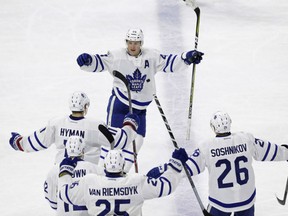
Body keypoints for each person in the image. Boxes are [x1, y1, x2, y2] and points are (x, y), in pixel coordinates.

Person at [76, 28, 204, 171]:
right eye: (130, 42)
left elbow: (169, 62)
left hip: (140, 109)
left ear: (141, 43)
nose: (132, 46)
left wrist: (186, 58)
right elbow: (100, 61)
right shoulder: (117, 57)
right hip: (120, 104)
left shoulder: (152, 56)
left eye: (136, 43)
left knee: (138, 141)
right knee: (113, 141)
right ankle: (101, 175)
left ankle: (122, 174)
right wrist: (87, 60)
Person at [8, 91, 140, 211]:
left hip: (62, 174)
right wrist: (130, 123)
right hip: (89, 179)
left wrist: (19, 142)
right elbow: (120, 140)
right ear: (85, 107)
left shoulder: (57, 123)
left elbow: (38, 140)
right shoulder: (95, 126)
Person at [170, 111, 288, 216]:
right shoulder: (246, 139)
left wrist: (174, 166)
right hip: (246, 200)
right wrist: (286, 153)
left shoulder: (207, 146)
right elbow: (269, 151)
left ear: (213, 127)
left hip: (220, 202)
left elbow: (188, 169)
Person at [58, 147, 188, 215]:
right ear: (123, 165)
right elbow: (165, 187)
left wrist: (65, 172)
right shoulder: (136, 182)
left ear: (105, 166)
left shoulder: (90, 182)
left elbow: (64, 194)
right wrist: (174, 166)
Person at [50, 135, 104, 216]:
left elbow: (52, 201)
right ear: (82, 150)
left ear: (66, 149)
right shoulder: (93, 168)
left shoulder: (54, 170)